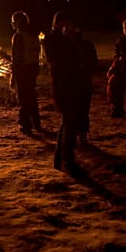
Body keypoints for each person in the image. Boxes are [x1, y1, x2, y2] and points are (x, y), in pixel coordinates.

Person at [43, 12, 86, 172]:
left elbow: (81, 54)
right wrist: (69, 39)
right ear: (59, 23)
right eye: (65, 23)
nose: (68, 26)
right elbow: (56, 60)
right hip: (63, 84)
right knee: (69, 122)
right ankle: (67, 161)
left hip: (72, 83)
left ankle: (60, 159)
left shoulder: (67, 38)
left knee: (67, 123)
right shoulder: (53, 39)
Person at [9, 11, 41, 134]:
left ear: (18, 22)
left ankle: (25, 124)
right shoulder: (34, 35)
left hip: (23, 69)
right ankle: (36, 122)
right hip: (33, 67)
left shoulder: (19, 36)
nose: (12, 24)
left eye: (13, 21)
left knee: (23, 97)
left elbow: (17, 57)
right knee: (31, 95)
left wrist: (13, 75)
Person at [70, 25, 98, 142]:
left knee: (75, 108)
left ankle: (78, 132)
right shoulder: (87, 45)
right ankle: (82, 132)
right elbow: (94, 62)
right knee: (84, 109)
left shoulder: (71, 47)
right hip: (85, 81)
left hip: (75, 82)